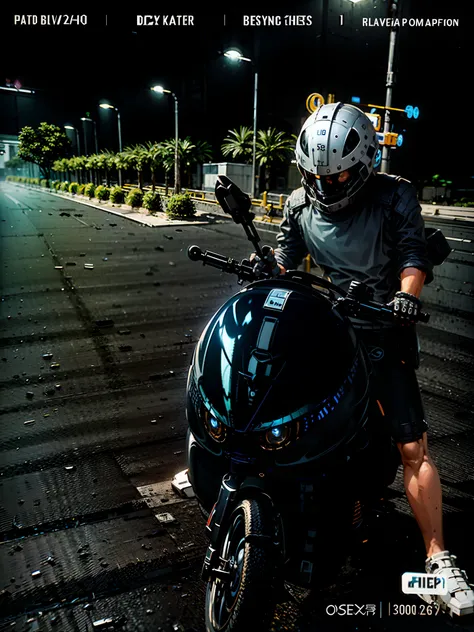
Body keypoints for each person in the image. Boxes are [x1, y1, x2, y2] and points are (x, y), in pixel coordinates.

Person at [251, 102, 474, 617]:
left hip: (380, 326)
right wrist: (268, 270)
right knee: (269, 399)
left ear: (367, 161)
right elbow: (286, 258)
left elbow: (412, 254)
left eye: (341, 174)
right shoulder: (297, 205)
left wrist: (407, 296)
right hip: (324, 324)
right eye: (316, 176)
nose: (327, 186)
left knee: (411, 445)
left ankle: (439, 560)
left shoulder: (393, 194)